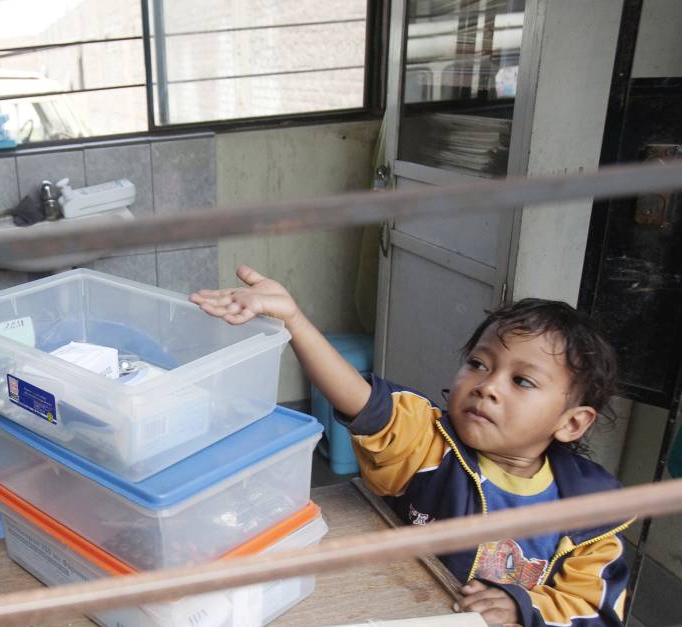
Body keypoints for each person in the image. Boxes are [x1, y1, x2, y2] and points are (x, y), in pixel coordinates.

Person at [192, 266, 630, 627]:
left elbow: (596, 612)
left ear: (572, 423)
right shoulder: (428, 441)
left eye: (522, 381)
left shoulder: (591, 510)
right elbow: (360, 400)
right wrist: (294, 321)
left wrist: (524, 608)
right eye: (478, 364)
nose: (487, 386)